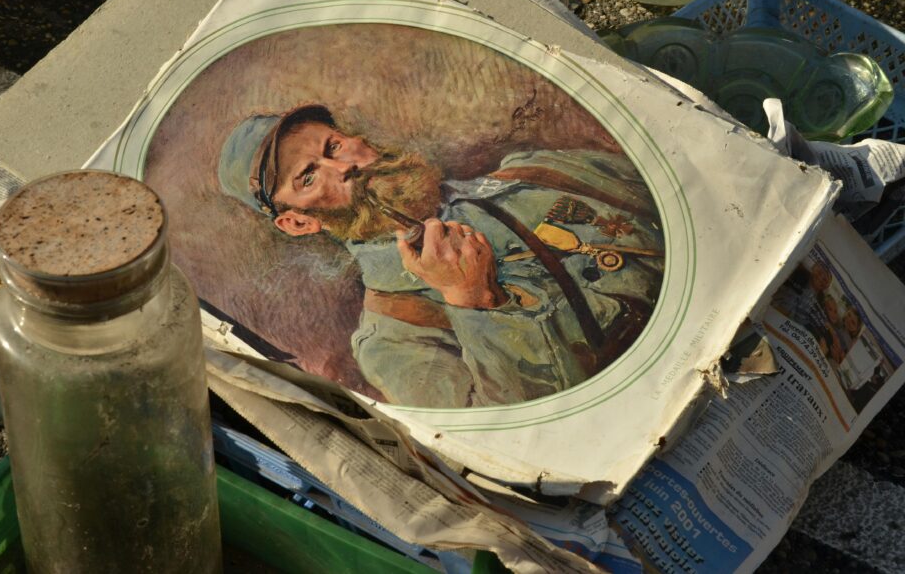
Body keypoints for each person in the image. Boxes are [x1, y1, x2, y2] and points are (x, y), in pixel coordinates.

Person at [218, 104, 665, 408]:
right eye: (309, 178)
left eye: (333, 147)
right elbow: (509, 441)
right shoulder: (393, 341)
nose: (344, 167)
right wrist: (474, 301)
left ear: (356, 140)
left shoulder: (537, 168)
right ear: (298, 223)